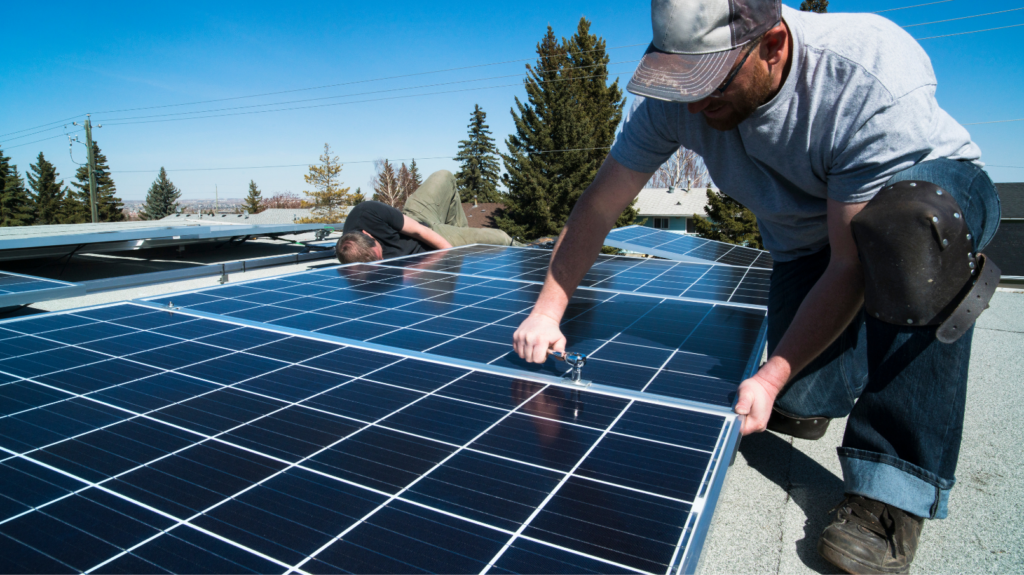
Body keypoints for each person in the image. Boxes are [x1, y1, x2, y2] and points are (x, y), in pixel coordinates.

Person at [511, 1, 1001, 573]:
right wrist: (548, 310)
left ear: (772, 45)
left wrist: (769, 375)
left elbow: (850, 266)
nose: (694, 102)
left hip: (927, 204)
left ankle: (893, 491)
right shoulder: (678, 99)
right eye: (681, 80)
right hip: (807, 240)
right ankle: (841, 363)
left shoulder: (863, 68)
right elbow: (598, 206)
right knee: (801, 397)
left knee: (911, 236)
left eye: (711, 82)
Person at [336, 170, 518, 262]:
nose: (383, 260)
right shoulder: (354, 260)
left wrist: (454, 257)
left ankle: (459, 232)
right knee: (499, 238)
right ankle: (533, 247)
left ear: (367, 234)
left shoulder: (368, 212)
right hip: (426, 253)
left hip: (421, 225)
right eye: (379, 262)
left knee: (444, 176)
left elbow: (420, 231)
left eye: (380, 254)